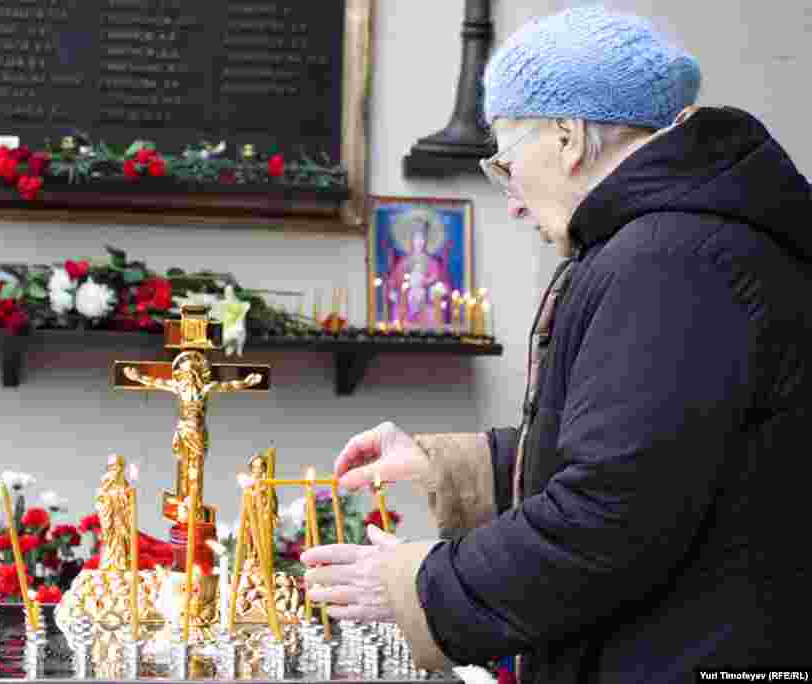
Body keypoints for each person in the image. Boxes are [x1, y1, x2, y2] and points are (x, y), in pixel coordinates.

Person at [302, 6, 811, 683]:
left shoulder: (672, 257)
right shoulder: (678, 241)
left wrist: (415, 583)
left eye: (506, 163)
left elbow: (613, 512)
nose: (510, 200)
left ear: (568, 138)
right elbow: (651, 450)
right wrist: (451, 465)